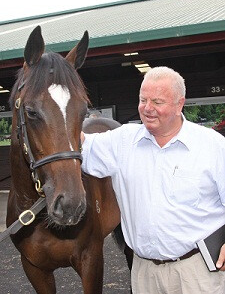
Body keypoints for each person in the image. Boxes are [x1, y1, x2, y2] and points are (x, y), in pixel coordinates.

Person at [81, 66, 225, 294]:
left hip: (197, 273)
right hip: (144, 273)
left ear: (180, 104)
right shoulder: (121, 142)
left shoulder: (212, 146)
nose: (148, 109)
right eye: (142, 100)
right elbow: (75, 145)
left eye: (157, 102)